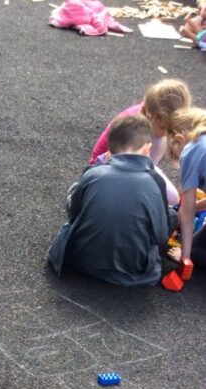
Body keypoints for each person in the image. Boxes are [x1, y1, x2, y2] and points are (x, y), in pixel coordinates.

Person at [48, 114, 176, 287]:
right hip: (131, 271)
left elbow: (74, 213)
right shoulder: (155, 181)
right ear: (147, 149)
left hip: (79, 259)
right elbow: (160, 235)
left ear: (109, 148)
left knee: (75, 191)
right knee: (171, 214)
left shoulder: (93, 173)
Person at [88, 79, 191, 204]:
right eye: (163, 128)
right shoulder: (133, 128)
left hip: (124, 166)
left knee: (167, 194)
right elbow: (116, 161)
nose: (166, 133)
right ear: (149, 113)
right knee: (172, 197)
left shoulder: (151, 117)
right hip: (104, 167)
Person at [166, 107, 206, 284]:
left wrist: (185, 257)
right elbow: (191, 209)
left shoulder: (193, 149)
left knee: (197, 251)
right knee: (199, 242)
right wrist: (198, 206)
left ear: (180, 139)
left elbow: (187, 211)